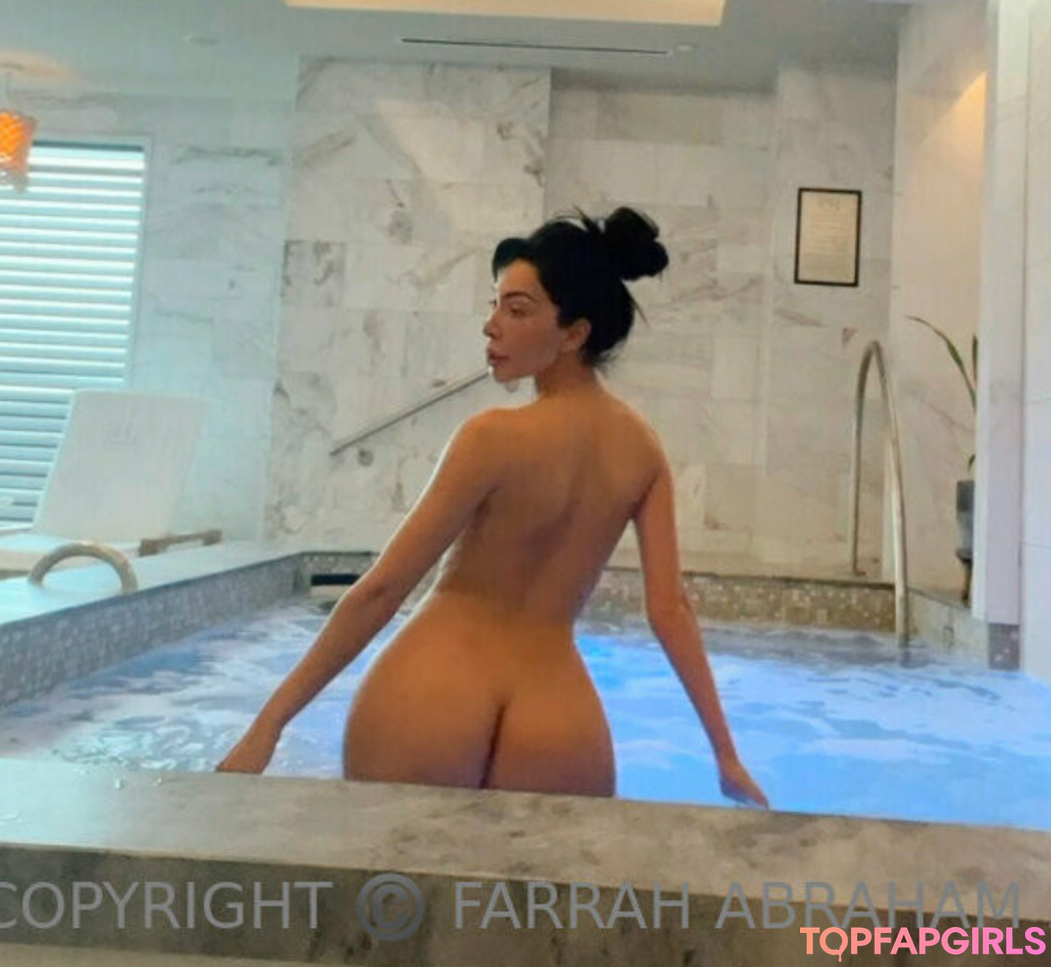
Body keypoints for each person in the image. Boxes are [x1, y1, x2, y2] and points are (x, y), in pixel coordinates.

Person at [217, 205, 768, 808]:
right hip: (557, 714)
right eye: (495, 305)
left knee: (396, 871)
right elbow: (670, 609)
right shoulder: (644, 452)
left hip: (436, 686)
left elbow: (382, 590)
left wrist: (268, 726)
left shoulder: (492, 438)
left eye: (517, 309)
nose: (491, 326)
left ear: (574, 334)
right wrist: (726, 755)